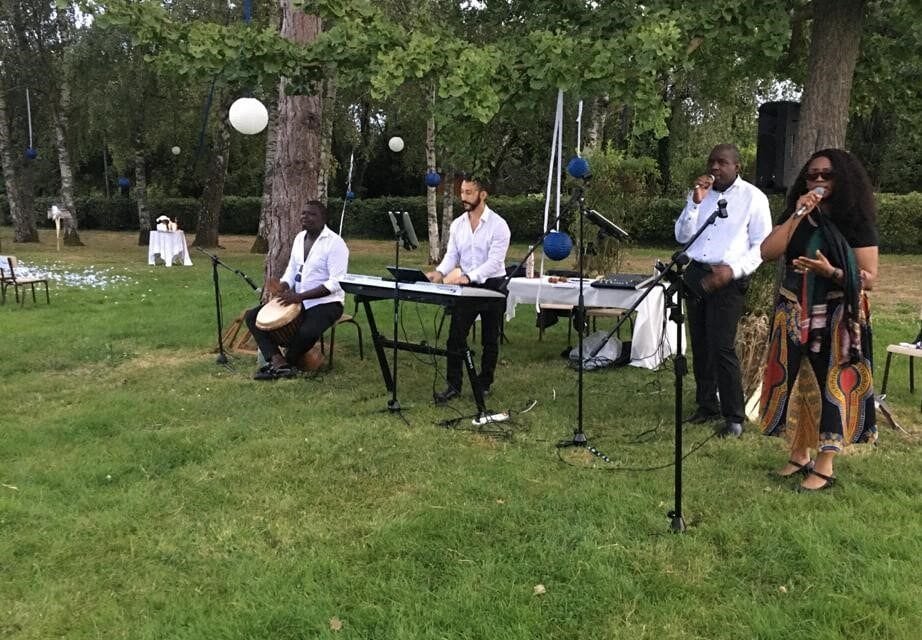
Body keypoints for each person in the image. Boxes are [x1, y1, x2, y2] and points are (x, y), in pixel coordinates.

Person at [758, 148, 878, 491]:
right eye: (813, 175)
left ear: (843, 179)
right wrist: (797, 214)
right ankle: (799, 454)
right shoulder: (798, 211)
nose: (820, 181)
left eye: (827, 175)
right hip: (796, 309)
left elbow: (870, 277)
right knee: (797, 382)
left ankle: (825, 464)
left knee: (832, 385)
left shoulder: (854, 219)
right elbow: (768, 252)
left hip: (838, 314)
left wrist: (832, 271)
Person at [675, 143, 773, 437]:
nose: (714, 168)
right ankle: (706, 405)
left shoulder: (753, 198)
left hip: (728, 277)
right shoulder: (700, 194)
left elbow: (763, 246)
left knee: (722, 345)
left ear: (736, 167)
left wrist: (734, 271)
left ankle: (734, 417)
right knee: (700, 343)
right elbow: (682, 235)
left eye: (722, 163)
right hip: (696, 273)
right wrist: (694, 202)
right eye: (711, 162)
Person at [427, 175, 511, 403]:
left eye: (468, 192)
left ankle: (485, 382)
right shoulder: (457, 225)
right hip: (467, 286)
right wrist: (440, 272)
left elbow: (494, 262)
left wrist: (468, 276)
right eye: (462, 192)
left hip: (493, 284)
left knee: (490, 339)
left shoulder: (499, 225)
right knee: (455, 337)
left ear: (482, 194)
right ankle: (453, 385)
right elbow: (451, 256)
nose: (463, 197)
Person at [245, 201, 349, 380]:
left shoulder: (335, 244)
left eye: (311, 214)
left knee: (307, 332)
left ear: (323, 218)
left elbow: (336, 283)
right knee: (253, 317)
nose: (305, 217)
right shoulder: (300, 238)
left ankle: (288, 362)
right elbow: (293, 270)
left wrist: (299, 297)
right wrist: (283, 285)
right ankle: (278, 362)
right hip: (299, 300)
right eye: (303, 213)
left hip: (327, 303)